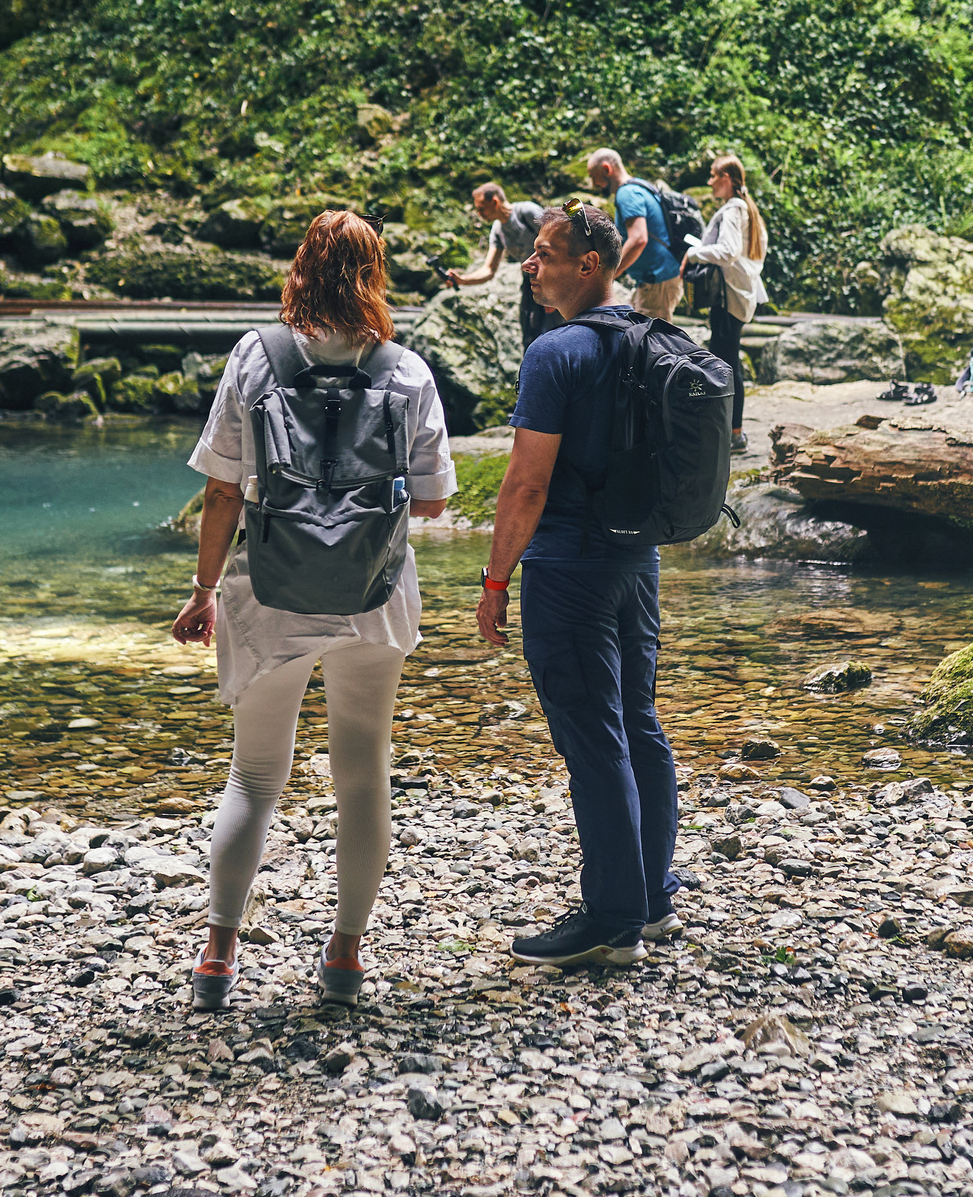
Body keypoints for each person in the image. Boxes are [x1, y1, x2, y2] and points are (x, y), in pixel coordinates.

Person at [171, 212, 456, 1009]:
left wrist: (202, 592)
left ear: (299, 268)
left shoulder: (254, 357)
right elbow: (433, 503)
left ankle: (219, 956)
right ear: (376, 274)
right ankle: (344, 956)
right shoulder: (407, 371)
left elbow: (223, 489)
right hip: (373, 594)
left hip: (271, 593)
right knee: (363, 773)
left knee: (255, 775)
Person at [474, 203, 680, 968]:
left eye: (546, 253)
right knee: (637, 720)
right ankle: (652, 898)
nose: (530, 264)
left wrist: (496, 578)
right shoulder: (658, 337)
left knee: (594, 739)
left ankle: (612, 918)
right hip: (639, 562)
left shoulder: (555, 352)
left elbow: (525, 485)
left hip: (568, 568)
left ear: (589, 265)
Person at [680, 155, 769, 454]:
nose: (709, 181)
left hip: (728, 299)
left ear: (727, 178)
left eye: (713, 175)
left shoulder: (734, 210)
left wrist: (694, 254)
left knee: (726, 366)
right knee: (728, 362)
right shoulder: (747, 209)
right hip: (739, 296)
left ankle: (733, 434)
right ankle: (732, 431)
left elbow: (728, 252)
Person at [442, 182, 555, 352]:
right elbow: (489, 270)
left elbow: (558, 243)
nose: (479, 215)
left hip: (553, 280)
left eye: (482, 209)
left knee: (554, 332)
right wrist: (462, 280)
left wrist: (552, 289)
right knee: (529, 335)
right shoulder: (497, 229)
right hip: (530, 284)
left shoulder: (527, 212)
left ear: (495, 202)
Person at [585, 150, 681, 320]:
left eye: (594, 176)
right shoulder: (639, 186)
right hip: (656, 279)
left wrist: (608, 275)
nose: (594, 184)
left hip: (656, 281)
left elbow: (638, 239)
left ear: (607, 169)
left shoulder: (627, 194)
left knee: (652, 343)